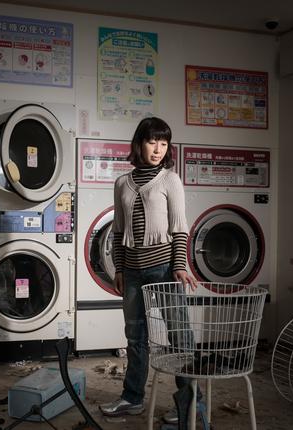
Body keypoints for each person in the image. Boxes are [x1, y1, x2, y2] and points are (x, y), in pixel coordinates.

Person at [98, 117, 200, 424]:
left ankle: (192, 405)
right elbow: (118, 231)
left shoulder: (170, 180)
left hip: (164, 268)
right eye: (152, 141)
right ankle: (132, 399)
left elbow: (180, 229)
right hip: (131, 271)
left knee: (179, 336)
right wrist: (118, 268)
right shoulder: (122, 183)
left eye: (164, 143)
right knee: (135, 337)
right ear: (139, 143)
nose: (157, 149)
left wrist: (179, 266)